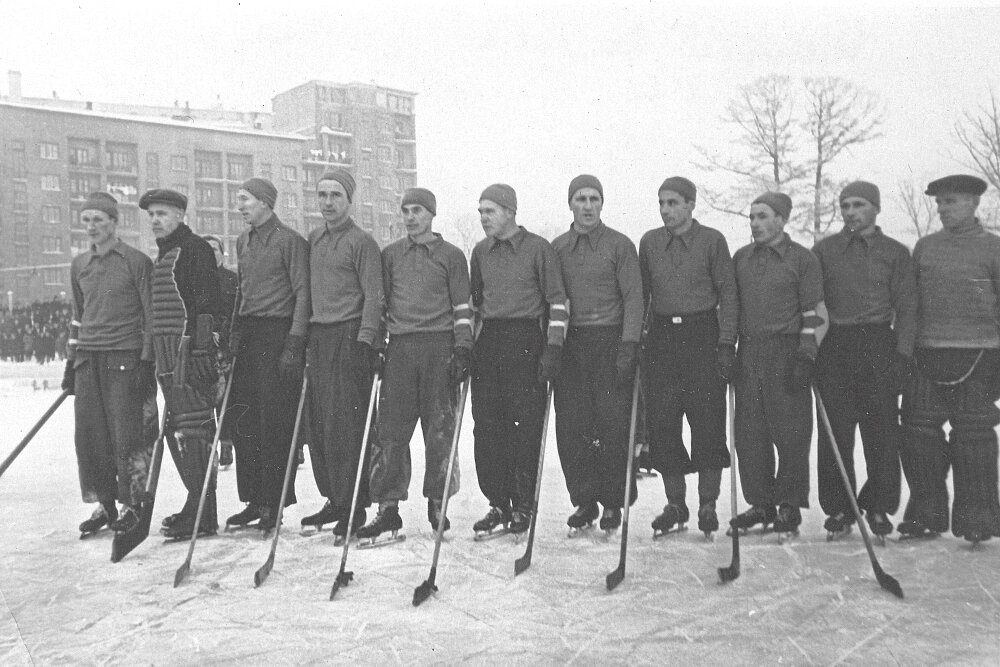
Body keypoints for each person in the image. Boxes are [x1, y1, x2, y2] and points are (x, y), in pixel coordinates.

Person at [357, 187, 472, 542]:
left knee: (440, 430)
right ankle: (387, 508)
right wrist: (377, 343)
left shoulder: (451, 256)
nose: (410, 216)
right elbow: (378, 300)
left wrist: (463, 347)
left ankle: (438, 501)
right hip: (401, 349)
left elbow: (462, 307)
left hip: (439, 347)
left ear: (431, 214)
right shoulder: (390, 255)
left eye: (418, 210)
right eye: (406, 210)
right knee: (390, 430)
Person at [898, 174, 1000, 543]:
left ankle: (978, 520)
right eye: (939, 202)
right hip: (926, 354)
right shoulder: (925, 248)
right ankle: (927, 514)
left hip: (979, 356)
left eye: (951, 201)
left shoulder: (993, 249)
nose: (942, 209)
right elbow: (910, 305)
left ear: (974, 204)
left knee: (973, 438)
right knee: (918, 434)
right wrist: (904, 352)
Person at [812, 182, 915, 540]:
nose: (850, 212)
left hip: (878, 344)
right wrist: (812, 349)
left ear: (876, 208)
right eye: (845, 206)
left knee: (881, 431)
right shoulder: (825, 251)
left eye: (858, 205)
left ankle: (878, 506)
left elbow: (907, 307)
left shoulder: (895, 253)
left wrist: (903, 355)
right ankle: (841, 507)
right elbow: (812, 304)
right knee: (835, 432)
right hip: (836, 346)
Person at [637, 177, 738, 538]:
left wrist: (726, 343)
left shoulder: (712, 241)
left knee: (707, 422)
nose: (666, 210)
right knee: (663, 424)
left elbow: (729, 293)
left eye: (674, 203)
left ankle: (707, 503)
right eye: (662, 203)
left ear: (691, 204)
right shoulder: (649, 242)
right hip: (663, 339)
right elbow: (642, 295)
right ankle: (675, 503)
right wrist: (637, 338)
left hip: (702, 336)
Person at [470, 183, 568, 536]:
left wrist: (553, 347)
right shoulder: (480, 252)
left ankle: (524, 504)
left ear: (510, 211)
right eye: (480, 211)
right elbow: (475, 305)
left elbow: (558, 302)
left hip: (526, 340)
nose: (483, 218)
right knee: (487, 427)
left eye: (490, 211)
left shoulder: (538, 250)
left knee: (523, 427)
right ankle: (499, 502)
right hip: (491, 342)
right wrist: (467, 346)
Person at [731, 192, 827, 538]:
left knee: (791, 432)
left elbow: (815, 314)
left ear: (782, 220)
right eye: (752, 217)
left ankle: (788, 504)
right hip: (750, 351)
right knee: (749, 433)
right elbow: (730, 307)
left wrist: (806, 354)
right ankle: (760, 503)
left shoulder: (802, 260)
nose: (755, 223)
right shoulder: (741, 258)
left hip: (787, 352)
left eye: (763, 216)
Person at [551, 175, 643, 534]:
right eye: (580, 199)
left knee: (612, 426)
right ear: (570, 204)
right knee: (572, 426)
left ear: (602, 204)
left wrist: (628, 346)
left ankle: (612, 502)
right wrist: (553, 346)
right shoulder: (557, 248)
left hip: (610, 341)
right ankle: (585, 500)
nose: (587, 206)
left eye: (593, 199)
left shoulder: (619, 245)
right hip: (572, 343)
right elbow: (553, 299)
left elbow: (634, 298)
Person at [63, 192, 155, 536]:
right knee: (90, 437)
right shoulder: (79, 264)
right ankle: (105, 504)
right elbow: (77, 317)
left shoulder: (136, 261)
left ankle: (133, 504)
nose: (91, 227)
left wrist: (147, 362)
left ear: (114, 223)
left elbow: (150, 316)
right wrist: (71, 363)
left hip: (124, 359)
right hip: (88, 360)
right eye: (86, 220)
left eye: (98, 220)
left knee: (126, 435)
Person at [300, 168, 383, 539]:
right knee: (319, 424)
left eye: (335, 195)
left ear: (349, 200)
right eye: (322, 195)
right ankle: (334, 496)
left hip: (349, 337)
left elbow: (373, 295)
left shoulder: (361, 242)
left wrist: (365, 341)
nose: (328, 202)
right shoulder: (314, 239)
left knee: (347, 425)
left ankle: (355, 502)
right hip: (319, 337)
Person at [136, 189, 222, 540]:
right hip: (168, 359)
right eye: (152, 215)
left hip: (189, 358)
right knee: (179, 434)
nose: (155, 220)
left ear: (180, 215)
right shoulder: (166, 253)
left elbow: (207, 304)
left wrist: (201, 351)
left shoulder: (194, 250)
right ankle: (196, 504)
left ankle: (204, 514)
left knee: (195, 434)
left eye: (163, 214)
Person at [226, 178, 310, 532]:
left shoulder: (289, 241)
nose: (240, 206)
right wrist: (233, 331)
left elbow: (303, 294)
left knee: (274, 421)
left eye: (245, 200)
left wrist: (294, 342)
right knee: (245, 420)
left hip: (278, 334)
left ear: (265, 202)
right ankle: (253, 499)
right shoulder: (243, 240)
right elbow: (242, 290)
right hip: (249, 333)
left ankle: (274, 502)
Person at [203, 235, 238, 468]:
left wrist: (222, 335)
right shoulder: (195, 281)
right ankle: (209, 446)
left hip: (225, 348)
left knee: (226, 399)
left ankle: (226, 444)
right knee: (205, 398)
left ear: (221, 253)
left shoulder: (232, 279)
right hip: (202, 348)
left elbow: (235, 312)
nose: (210, 253)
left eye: (214, 249)